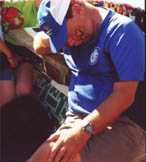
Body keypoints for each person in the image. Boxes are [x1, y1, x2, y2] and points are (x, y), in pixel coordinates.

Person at [28, 0, 145, 162]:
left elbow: (124, 96)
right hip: (80, 117)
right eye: (63, 39)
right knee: (41, 158)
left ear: (77, 8)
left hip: (125, 121)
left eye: (69, 34)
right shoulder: (74, 33)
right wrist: (52, 43)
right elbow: (40, 42)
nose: (69, 42)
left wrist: (83, 131)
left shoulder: (122, 32)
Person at [0, 1, 33, 106]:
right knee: (8, 102)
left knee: (10, 100)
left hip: (8, 56)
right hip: (6, 55)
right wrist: (10, 55)